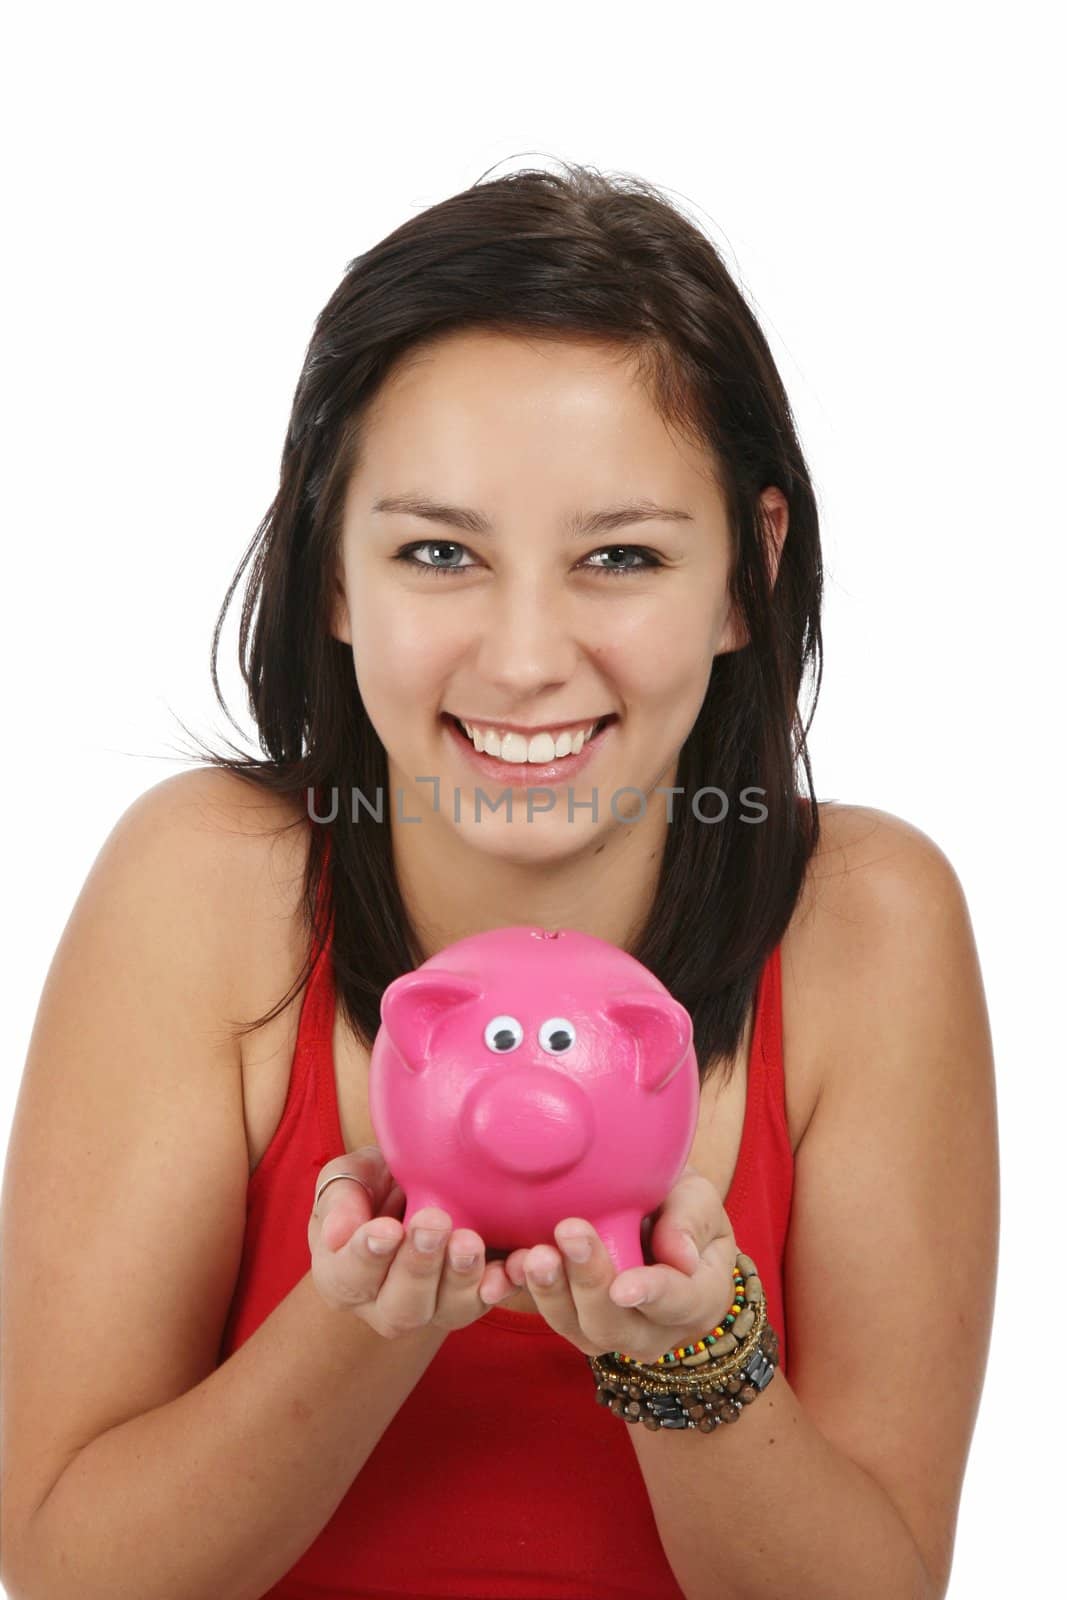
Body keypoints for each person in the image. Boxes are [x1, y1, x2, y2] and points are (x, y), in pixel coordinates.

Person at [0, 159, 998, 1600]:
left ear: (746, 572)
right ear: (332, 571)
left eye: (619, 556)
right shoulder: (205, 890)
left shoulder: (868, 924)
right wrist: (366, 1322)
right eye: (437, 551)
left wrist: (695, 1371)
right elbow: (68, 1569)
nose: (526, 656)